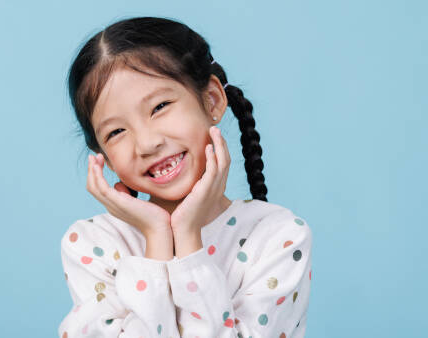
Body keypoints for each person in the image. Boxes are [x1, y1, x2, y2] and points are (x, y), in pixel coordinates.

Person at [58, 16, 312, 338]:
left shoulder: (279, 237)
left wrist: (188, 236)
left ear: (212, 100)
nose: (147, 143)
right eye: (117, 131)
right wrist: (156, 237)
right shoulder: (92, 243)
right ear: (104, 156)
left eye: (160, 106)